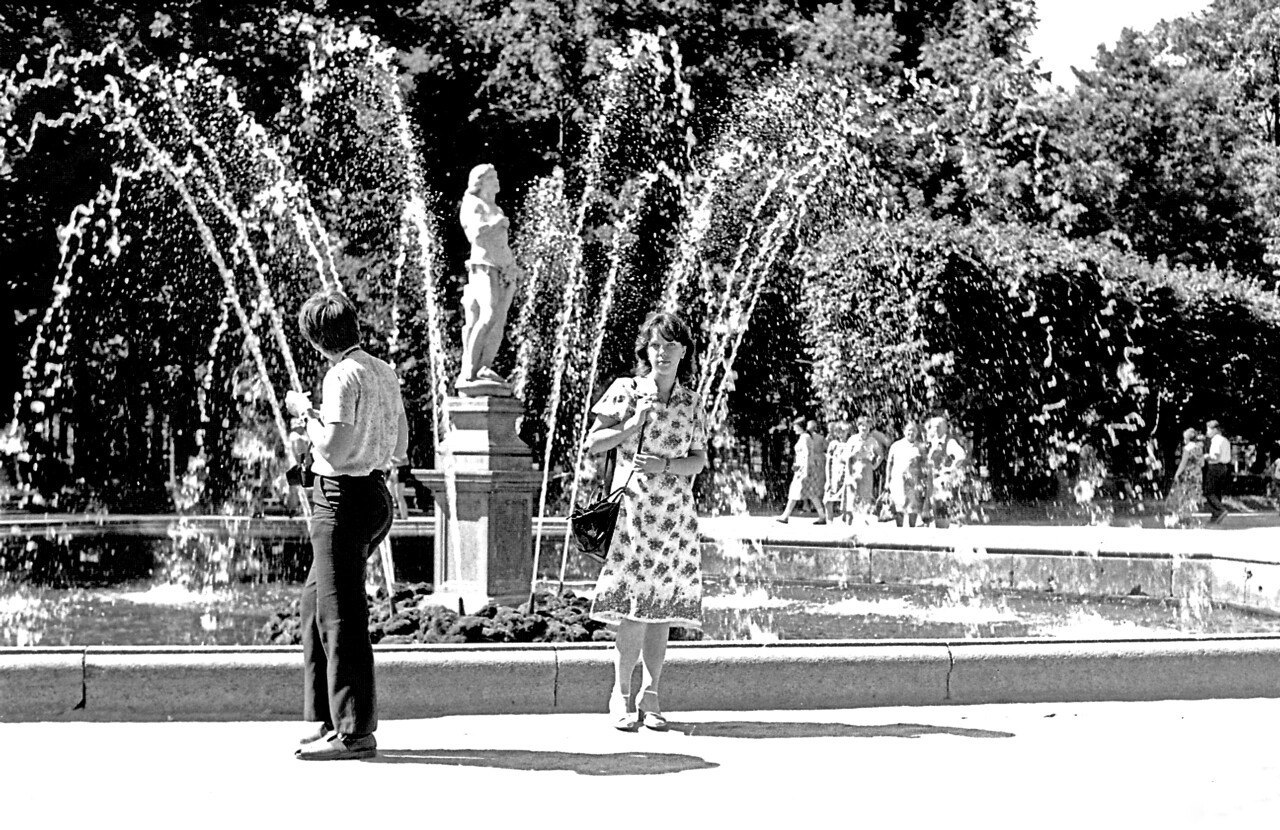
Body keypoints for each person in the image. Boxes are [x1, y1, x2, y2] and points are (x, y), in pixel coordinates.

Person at [286, 290, 409, 761]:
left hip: (340, 501)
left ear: (317, 339)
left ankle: (355, 733)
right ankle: (326, 716)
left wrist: (306, 415)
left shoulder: (341, 375)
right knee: (314, 604)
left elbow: (333, 452)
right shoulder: (384, 372)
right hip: (376, 496)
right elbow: (400, 444)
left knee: (341, 617)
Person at [585, 311, 707, 731]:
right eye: (655, 345)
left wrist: (666, 464)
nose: (663, 353)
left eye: (671, 345)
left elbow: (699, 460)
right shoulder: (626, 390)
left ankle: (651, 694)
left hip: (674, 516)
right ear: (646, 349)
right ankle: (620, 695)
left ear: (684, 351)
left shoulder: (691, 401)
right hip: (634, 512)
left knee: (663, 609)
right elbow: (593, 443)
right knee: (634, 609)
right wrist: (630, 426)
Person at [458, 164, 525, 391]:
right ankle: (469, 368)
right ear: (480, 181)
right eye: (492, 177)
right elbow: (474, 234)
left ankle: (485, 366)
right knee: (487, 313)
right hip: (483, 266)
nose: (497, 180)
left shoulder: (494, 206)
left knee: (499, 319)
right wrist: (496, 223)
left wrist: (512, 266)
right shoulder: (472, 204)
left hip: (503, 268)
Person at [777, 416, 825, 523]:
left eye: (795, 426)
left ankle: (785, 516)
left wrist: (804, 469)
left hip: (804, 470)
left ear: (800, 427)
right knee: (811, 494)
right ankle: (822, 516)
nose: (794, 429)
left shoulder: (805, 438)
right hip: (803, 469)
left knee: (795, 492)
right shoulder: (805, 437)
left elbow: (808, 455)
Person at [923, 415, 967, 528]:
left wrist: (950, 470)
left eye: (939, 426)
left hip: (944, 484)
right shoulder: (932, 443)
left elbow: (961, 456)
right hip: (933, 482)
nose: (936, 429)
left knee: (943, 512)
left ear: (945, 428)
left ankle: (946, 541)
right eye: (934, 427)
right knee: (935, 512)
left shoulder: (949, 442)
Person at [884, 419, 927, 527]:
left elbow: (925, 465)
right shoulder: (896, 445)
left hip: (914, 481)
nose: (911, 433)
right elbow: (889, 464)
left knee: (913, 507)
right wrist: (887, 481)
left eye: (913, 431)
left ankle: (911, 531)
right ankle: (899, 530)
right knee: (899, 506)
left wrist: (924, 481)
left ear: (917, 432)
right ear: (904, 431)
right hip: (898, 481)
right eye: (908, 430)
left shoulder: (920, 447)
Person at [845, 416, 882, 520]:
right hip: (855, 466)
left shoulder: (872, 440)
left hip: (867, 468)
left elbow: (880, 455)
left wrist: (874, 466)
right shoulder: (853, 439)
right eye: (862, 425)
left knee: (866, 494)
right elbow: (847, 457)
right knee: (852, 494)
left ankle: (864, 519)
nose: (864, 428)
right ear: (858, 426)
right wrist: (848, 474)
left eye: (867, 426)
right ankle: (850, 520)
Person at [1166, 427, 1204, 526]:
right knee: (1193, 496)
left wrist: (1177, 474)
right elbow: (1202, 463)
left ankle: (1183, 517)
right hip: (1197, 474)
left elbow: (1183, 463)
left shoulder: (1187, 448)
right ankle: (1190, 516)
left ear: (1186, 438)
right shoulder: (1199, 448)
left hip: (1188, 475)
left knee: (1184, 495)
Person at [1203, 419, 1232, 524]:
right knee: (1217, 491)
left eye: (1208, 429)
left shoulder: (1216, 440)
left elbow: (1215, 455)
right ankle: (1215, 516)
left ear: (1215, 429)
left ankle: (1220, 510)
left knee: (1208, 491)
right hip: (1224, 467)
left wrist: (1206, 457)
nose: (1207, 432)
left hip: (1215, 466)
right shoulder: (1226, 440)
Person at [822, 421, 851, 523]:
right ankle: (829, 520)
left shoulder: (850, 444)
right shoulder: (833, 444)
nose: (841, 434)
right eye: (839, 432)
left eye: (844, 431)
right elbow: (828, 463)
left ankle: (846, 521)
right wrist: (828, 480)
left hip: (846, 475)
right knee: (828, 500)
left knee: (846, 500)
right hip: (834, 476)